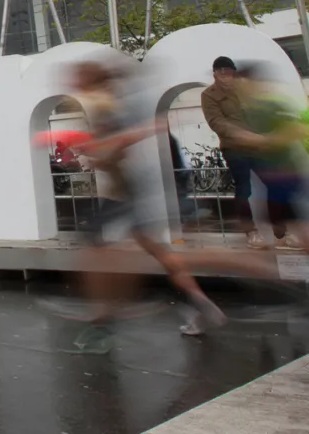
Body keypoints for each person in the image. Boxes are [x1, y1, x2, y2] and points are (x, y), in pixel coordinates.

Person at [64, 61, 226, 346]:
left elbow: (115, 149)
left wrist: (93, 152)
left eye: (76, 76)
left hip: (122, 190)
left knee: (94, 244)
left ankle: (106, 316)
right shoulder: (115, 102)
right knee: (157, 251)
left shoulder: (102, 104)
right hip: (133, 188)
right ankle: (198, 300)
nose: (71, 81)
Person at [231, 63, 308, 251]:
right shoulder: (248, 108)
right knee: (285, 219)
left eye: (241, 82)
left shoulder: (272, 103)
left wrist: (262, 140)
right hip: (270, 175)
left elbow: (297, 129)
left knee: (295, 220)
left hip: (284, 172)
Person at [201, 56, 269, 249]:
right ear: (214, 73)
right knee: (243, 189)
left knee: (273, 182)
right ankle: (251, 232)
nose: (224, 75)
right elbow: (216, 122)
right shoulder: (209, 95)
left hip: (258, 146)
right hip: (234, 148)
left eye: (228, 71)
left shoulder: (244, 89)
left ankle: (282, 229)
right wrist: (242, 135)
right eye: (219, 71)